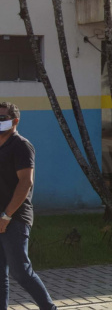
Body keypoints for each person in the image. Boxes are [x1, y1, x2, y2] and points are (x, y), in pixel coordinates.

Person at [0, 102, 56, 310]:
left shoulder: (21, 145)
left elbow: (26, 182)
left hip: (14, 217)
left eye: (2, 119)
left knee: (20, 271)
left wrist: (6, 216)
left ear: (15, 121)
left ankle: (49, 308)